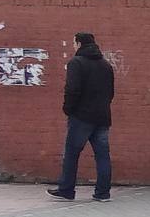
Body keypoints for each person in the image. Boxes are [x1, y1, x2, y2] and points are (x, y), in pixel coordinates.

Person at [49, 32, 114, 202]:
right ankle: (102, 193)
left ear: (78, 44)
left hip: (81, 116)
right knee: (102, 155)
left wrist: (68, 109)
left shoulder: (76, 63)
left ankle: (66, 189)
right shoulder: (105, 65)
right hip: (102, 116)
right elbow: (110, 92)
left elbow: (72, 89)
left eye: (74, 43)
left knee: (71, 153)